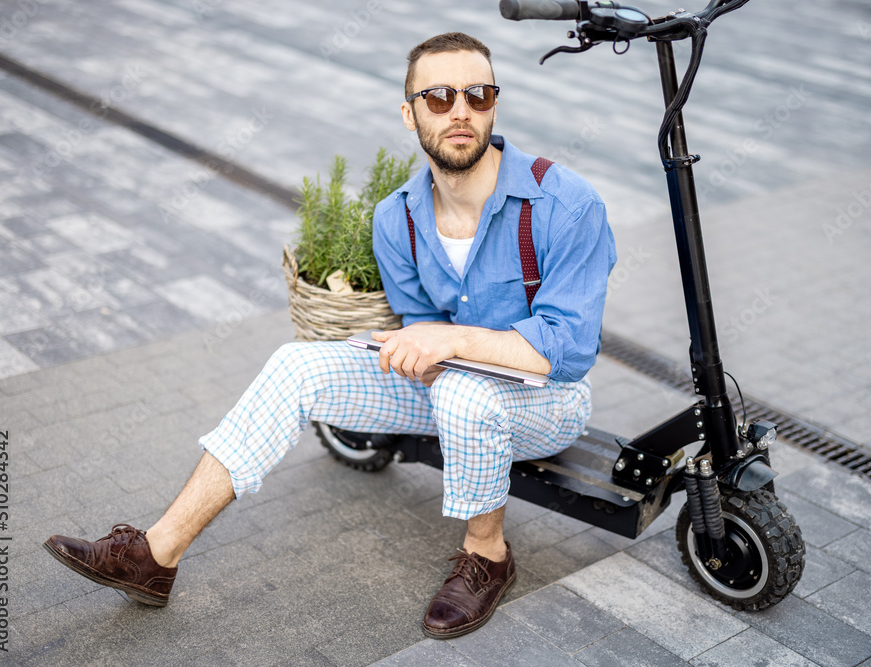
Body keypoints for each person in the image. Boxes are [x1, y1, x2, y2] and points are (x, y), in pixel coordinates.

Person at [43, 31, 616, 639]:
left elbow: (569, 349)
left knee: (464, 394)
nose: (460, 111)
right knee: (298, 364)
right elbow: (421, 325)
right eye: (439, 96)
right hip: (449, 384)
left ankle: (489, 556)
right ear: (410, 112)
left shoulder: (565, 203)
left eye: (477, 93)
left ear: (494, 103)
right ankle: (154, 556)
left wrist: (452, 344)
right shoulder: (397, 216)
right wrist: (410, 348)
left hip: (549, 401)